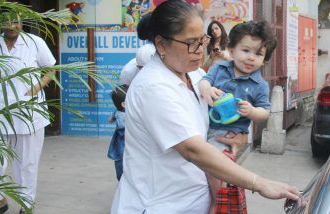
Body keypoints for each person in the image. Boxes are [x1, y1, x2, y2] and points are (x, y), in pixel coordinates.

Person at [110, 1, 300, 213]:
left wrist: (233, 135)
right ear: (162, 44)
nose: (201, 50)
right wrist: (259, 183)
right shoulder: (153, 87)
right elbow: (193, 149)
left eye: (203, 40)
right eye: (192, 43)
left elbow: (212, 119)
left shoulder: (196, 74)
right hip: (161, 203)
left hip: (194, 198)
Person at [198, 20, 278, 213]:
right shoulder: (219, 69)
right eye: (246, 51)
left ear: (264, 60)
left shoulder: (260, 85)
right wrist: (207, 89)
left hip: (229, 134)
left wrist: (252, 111)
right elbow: (203, 82)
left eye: (258, 54)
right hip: (207, 127)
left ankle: (219, 201)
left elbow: (265, 112)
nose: (251, 58)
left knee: (216, 170)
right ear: (231, 51)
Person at [0, 18, 56, 214]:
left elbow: (51, 68)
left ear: (22, 22)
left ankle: (26, 203)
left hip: (28, 111)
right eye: (6, 22)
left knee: (27, 162)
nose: (11, 26)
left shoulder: (34, 42)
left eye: (15, 22)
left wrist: (37, 88)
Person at [107, 84, 129, 181]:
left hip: (120, 146)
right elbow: (122, 125)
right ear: (124, 104)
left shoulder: (118, 111)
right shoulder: (124, 116)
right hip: (122, 146)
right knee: (122, 167)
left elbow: (110, 119)